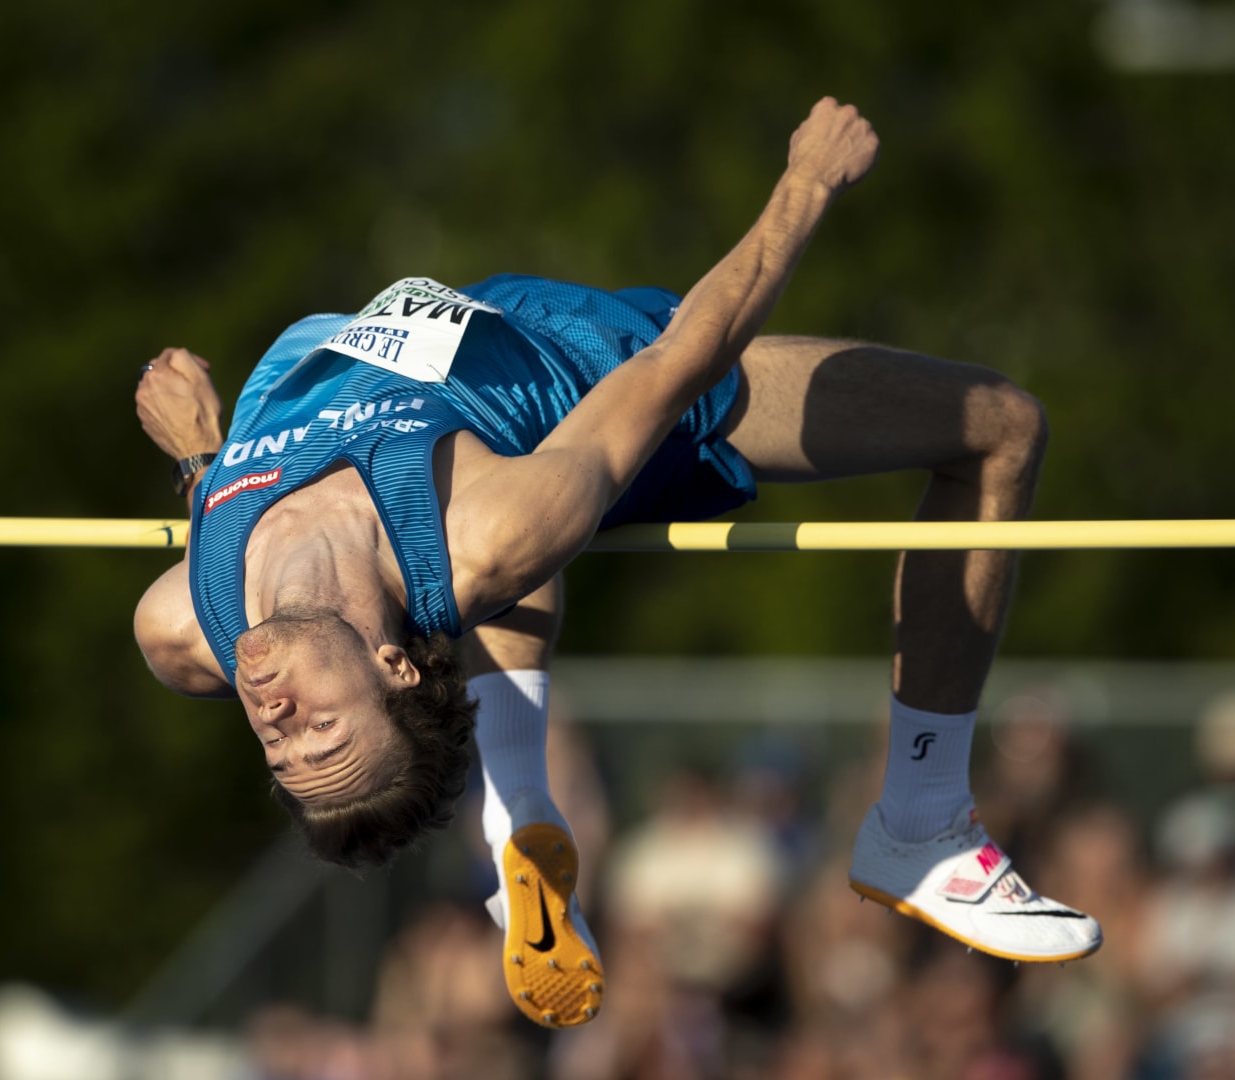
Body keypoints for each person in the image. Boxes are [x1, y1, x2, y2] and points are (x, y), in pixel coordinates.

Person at [131, 98, 1101, 1029]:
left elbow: (231, 521)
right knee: (999, 426)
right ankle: (922, 821)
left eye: (280, 755)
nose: (280, 724)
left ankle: (520, 815)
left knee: (490, 557)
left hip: (483, 338)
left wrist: (198, 459)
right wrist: (806, 182)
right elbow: (686, 355)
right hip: (609, 372)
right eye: (323, 737)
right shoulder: (486, 531)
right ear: (393, 668)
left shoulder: (184, 625)